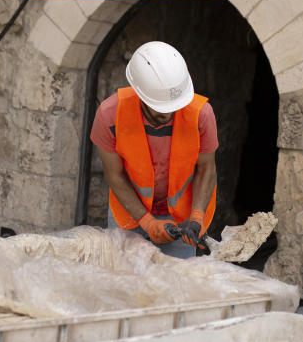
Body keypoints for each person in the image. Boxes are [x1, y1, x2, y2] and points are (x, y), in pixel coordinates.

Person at [89, 41, 218, 259]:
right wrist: (148, 223)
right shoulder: (110, 115)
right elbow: (114, 176)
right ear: (140, 95)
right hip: (129, 212)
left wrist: (196, 217)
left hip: (182, 216)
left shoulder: (201, 115)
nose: (169, 115)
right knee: (124, 282)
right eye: (160, 109)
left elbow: (207, 169)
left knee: (175, 284)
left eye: (174, 107)